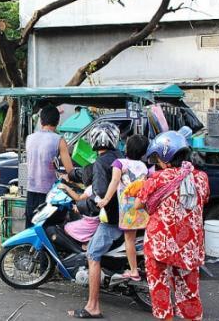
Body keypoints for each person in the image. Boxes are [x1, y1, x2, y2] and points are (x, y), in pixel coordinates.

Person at [134, 129, 209, 321]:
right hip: (189, 246)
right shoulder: (201, 178)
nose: (158, 163)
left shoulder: (158, 178)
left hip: (161, 244)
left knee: (160, 290)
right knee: (189, 293)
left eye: (158, 158)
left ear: (165, 156)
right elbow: (203, 200)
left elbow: (138, 204)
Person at [69, 122, 123, 319]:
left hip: (111, 220)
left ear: (94, 141)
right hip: (127, 216)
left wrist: (81, 206)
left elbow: (99, 195)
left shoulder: (102, 162)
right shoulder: (119, 157)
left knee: (92, 255)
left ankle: (93, 306)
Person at [97, 134, 149, 281]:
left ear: (126, 147)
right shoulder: (143, 166)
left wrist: (105, 200)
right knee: (138, 238)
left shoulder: (119, 163)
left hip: (128, 210)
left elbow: (114, 182)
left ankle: (133, 271)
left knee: (129, 240)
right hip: (142, 208)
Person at [25, 104, 73, 228]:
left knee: (31, 228)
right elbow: (70, 170)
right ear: (57, 121)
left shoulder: (29, 138)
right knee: (48, 229)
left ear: (41, 121)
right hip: (48, 193)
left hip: (31, 189)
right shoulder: (59, 140)